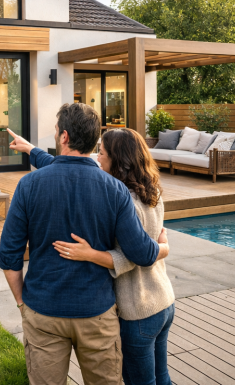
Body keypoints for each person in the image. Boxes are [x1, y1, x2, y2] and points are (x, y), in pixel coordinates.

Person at [0, 103, 166, 385]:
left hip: (43, 312)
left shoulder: (29, 185)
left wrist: (21, 303)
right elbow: (141, 253)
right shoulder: (114, 189)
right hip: (97, 315)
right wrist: (163, 247)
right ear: (94, 140)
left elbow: (9, 256)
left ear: (64, 137)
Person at [52, 129, 175, 385]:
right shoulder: (152, 191)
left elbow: (136, 256)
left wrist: (90, 254)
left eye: (103, 153)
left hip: (138, 309)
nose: (98, 158)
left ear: (118, 160)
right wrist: (32, 150)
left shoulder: (122, 201)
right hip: (163, 301)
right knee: (162, 377)